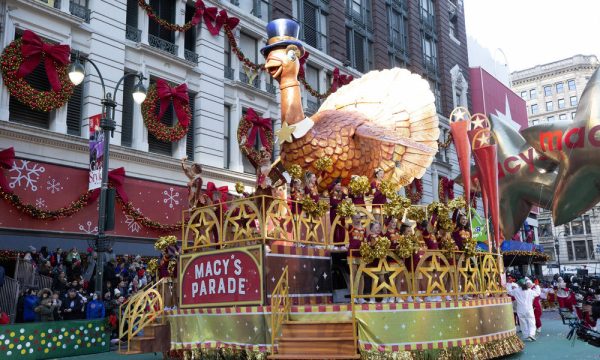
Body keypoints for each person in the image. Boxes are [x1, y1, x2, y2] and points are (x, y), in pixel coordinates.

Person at [347, 214, 367, 303]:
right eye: (356, 218)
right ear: (352, 218)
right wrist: (345, 214)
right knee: (353, 275)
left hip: (361, 254)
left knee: (361, 276)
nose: (358, 220)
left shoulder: (364, 229)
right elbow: (342, 222)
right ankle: (353, 296)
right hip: (352, 254)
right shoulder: (351, 227)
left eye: (359, 218)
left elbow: (366, 241)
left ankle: (360, 297)